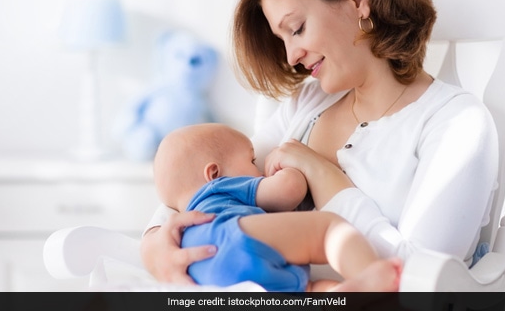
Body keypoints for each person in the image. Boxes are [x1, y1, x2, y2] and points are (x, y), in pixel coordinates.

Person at [140, 0, 499, 286]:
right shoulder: (307, 103)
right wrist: (154, 243)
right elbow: (206, 181)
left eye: (296, 29)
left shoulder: (456, 123)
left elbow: (422, 279)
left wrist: (324, 175)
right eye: (282, 39)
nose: (292, 55)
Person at [153, 122, 401, 292]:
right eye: (252, 160)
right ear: (214, 173)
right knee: (326, 230)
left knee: (307, 288)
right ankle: (369, 276)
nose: (258, 168)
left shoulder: (184, 227)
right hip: (230, 237)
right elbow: (290, 190)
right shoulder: (220, 188)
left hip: (202, 274)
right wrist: (288, 169)